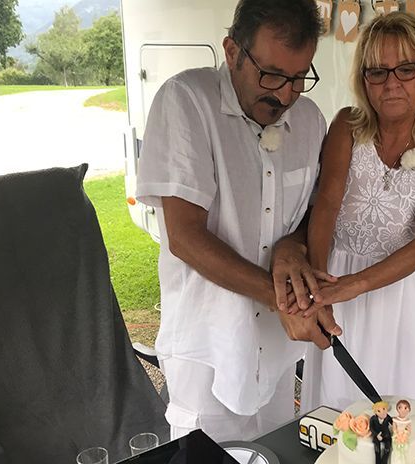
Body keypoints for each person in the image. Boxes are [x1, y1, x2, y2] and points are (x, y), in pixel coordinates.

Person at [135, 0, 341, 443]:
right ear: (232, 51)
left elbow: (310, 211)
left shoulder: (310, 121)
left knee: (277, 453)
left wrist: (292, 245)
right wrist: (284, 299)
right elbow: (185, 237)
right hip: (209, 344)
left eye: (300, 76)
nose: (286, 94)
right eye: (271, 75)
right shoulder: (186, 101)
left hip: (277, 352)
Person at [298, 12, 415, 430]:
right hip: (336, 288)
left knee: (399, 421)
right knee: (337, 420)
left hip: (401, 301)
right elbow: (325, 207)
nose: (392, 83)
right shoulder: (346, 128)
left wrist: (354, 285)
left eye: (406, 68)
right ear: (364, 78)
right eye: (378, 71)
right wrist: (322, 282)